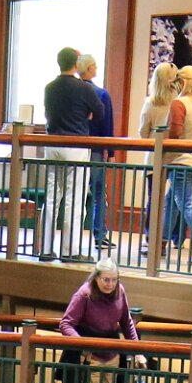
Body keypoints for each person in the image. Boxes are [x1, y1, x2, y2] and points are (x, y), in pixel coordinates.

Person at [56, 252, 141, 383]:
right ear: (96, 277)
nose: (110, 284)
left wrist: (138, 350)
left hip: (112, 353)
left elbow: (127, 322)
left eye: (114, 280)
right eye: (106, 279)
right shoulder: (84, 294)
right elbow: (66, 323)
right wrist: (81, 343)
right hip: (90, 356)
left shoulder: (120, 291)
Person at [145, 62, 192, 267]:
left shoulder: (179, 103)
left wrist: (160, 135)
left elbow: (175, 133)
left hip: (182, 161)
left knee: (185, 204)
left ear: (181, 82)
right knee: (171, 202)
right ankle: (162, 243)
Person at [40, 47, 99, 258]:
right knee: (75, 199)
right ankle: (70, 251)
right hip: (76, 144)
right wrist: (86, 115)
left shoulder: (49, 88)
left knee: (51, 197)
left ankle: (45, 249)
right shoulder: (84, 88)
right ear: (76, 65)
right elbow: (100, 112)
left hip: (52, 144)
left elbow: (48, 113)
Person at [76, 52, 116, 248]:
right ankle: (100, 235)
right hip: (96, 150)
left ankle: (72, 236)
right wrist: (112, 152)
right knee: (99, 192)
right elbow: (107, 126)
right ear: (90, 68)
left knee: (75, 192)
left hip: (75, 148)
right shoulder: (101, 94)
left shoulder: (73, 94)